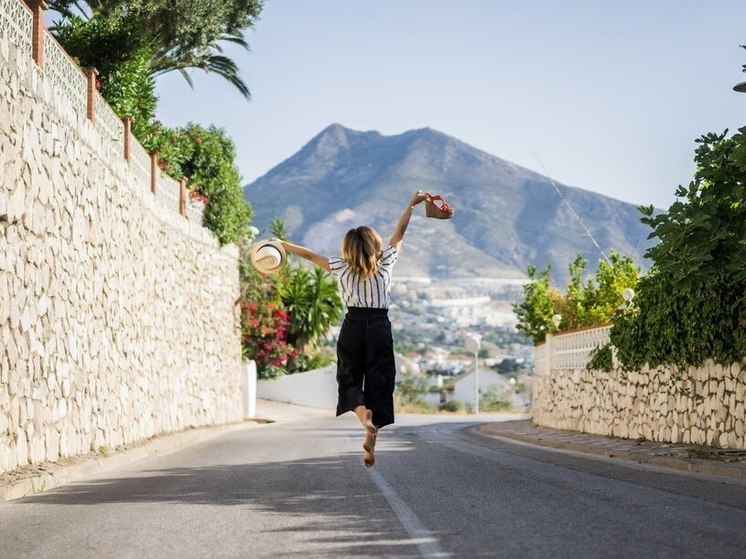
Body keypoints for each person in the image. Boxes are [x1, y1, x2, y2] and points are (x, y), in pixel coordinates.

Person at [278, 190, 428, 467]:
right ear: (374, 246)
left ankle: (363, 417)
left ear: (348, 248)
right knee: (380, 380)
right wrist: (411, 204)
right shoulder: (385, 265)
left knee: (349, 378)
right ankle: (374, 428)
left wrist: (282, 244)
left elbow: (310, 255)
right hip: (379, 326)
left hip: (353, 326)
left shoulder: (340, 267)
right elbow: (400, 233)